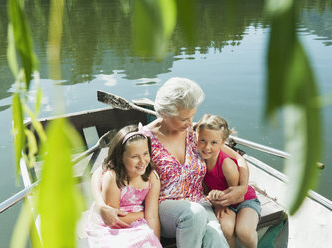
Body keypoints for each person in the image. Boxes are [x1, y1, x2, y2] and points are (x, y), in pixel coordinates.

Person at [91, 77, 249, 247]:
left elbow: (237, 157)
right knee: (194, 214)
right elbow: (102, 170)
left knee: (216, 236)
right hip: (163, 208)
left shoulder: (194, 133)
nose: (190, 123)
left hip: (200, 202)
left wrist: (242, 188)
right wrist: (100, 205)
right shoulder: (145, 138)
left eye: (192, 116)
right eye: (183, 119)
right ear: (165, 113)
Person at [86, 124, 162, 248]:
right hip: (111, 227)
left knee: (148, 237)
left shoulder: (152, 177)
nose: (142, 161)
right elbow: (114, 220)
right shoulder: (113, 177)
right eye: (134, 157)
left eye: (145, 153)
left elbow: (152, 217)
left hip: (137, 224)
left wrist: (157, 242)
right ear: (121, 158)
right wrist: (143, 214)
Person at [196, 114, 261, 248]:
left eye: (213, 142)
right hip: (223, 201)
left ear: (223, 142)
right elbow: (206, 189)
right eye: (202, 140)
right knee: (225, 228)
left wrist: (219, 200)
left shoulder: (227, 165)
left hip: (244, 200)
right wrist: (216, 201)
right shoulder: (199, 161)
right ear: (196, 136)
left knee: (245, 232)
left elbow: (238, 195)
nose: (207, 147)